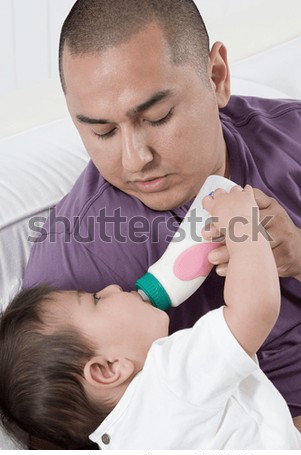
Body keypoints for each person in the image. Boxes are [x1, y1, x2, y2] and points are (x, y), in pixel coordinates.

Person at [23, 0, 301, 424]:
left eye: (157, 117)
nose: (136, 160)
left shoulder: (291, 136)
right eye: (103, 131)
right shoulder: (72, 269)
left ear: (216, 77)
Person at [2, 187, 301, 450]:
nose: (111, 287)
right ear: (108, 369)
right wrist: (242, 224)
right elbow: (255, 307)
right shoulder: (170, 378)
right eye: (95, 299)